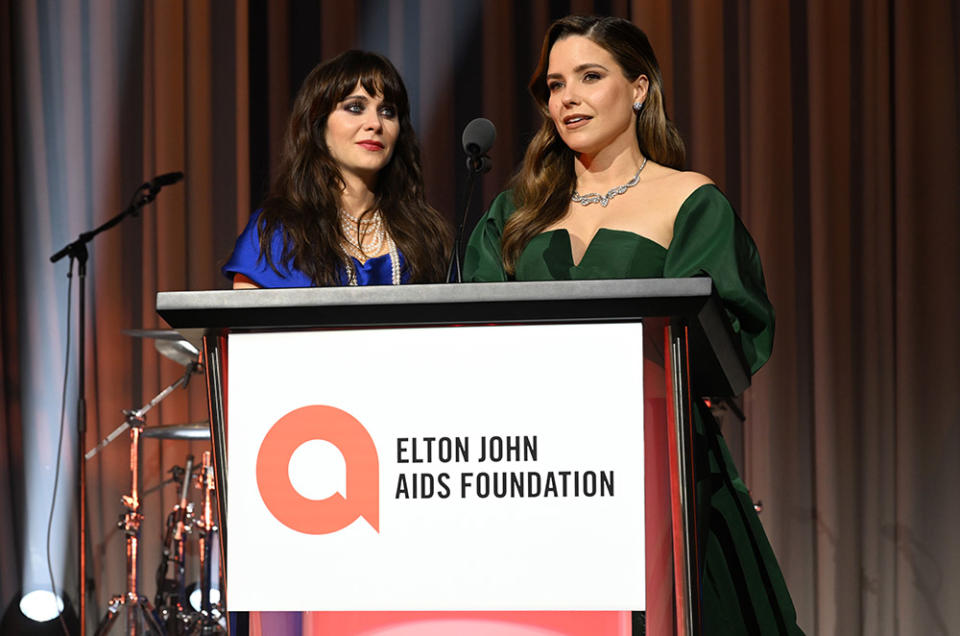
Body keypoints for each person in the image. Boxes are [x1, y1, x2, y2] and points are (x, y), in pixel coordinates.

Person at [463, 15, 803, 635]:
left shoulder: (689, 200)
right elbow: (476, 328)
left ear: (639, 88)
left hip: (656, 467)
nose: (568, 98)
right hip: (528, 471)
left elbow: (731, 337)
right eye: (555, 84)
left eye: (590, 77)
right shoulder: (515, 212)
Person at [224, 49, 450, 289]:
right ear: (318, 124)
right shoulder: (277, 234)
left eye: (387, 112)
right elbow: (248, 324)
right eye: (355, 107)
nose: (375, 124)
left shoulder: (427, 236)